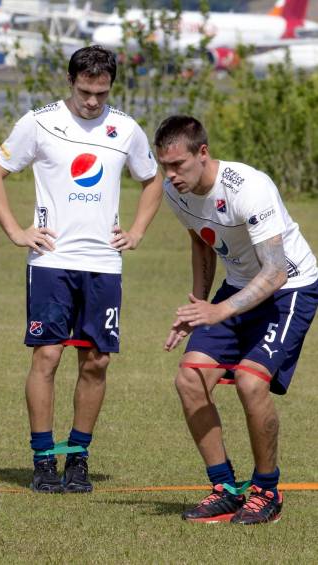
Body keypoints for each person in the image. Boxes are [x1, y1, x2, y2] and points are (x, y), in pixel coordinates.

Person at [0, 45, 162, 494]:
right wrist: (16, 231)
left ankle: (77, 458)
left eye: (101, 93)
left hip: (104, 265)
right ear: (70, 82)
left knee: (96, 361)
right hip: (52, 262)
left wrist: (137, 230)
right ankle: (43, 459)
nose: (93, 101)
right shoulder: (39, 122)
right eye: (85, 91)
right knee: (47, 356)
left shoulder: (126, 129)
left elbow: (152, 179)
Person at [156, 115, 318, 525]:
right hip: (239, 286)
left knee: (250, 381)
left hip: (290, 288)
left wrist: (219, 310)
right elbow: (201, 242)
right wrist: (199, 305)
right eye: (164, 166)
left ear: (203, 153)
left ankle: (267, 492)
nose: (171, 175)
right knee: (190, 378)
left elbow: (276, 271)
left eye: (178, 165)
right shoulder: (175, 192)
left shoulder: (248, 187)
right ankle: (225, 489)